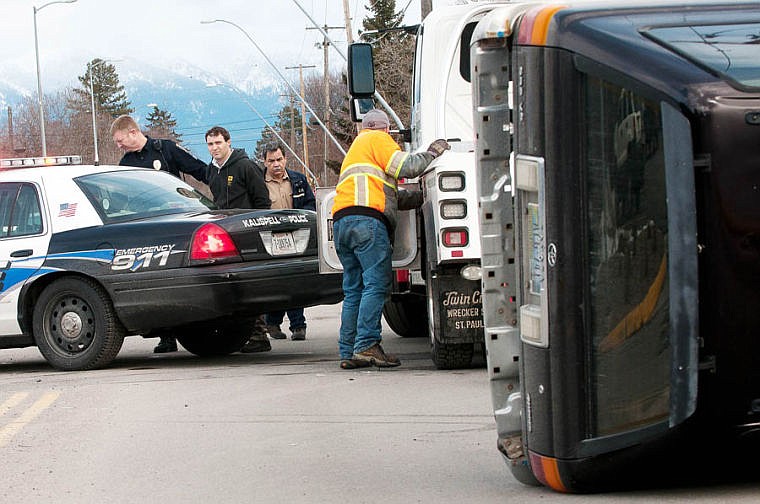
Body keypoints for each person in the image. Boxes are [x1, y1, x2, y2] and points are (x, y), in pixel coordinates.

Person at [331, 109, 450, 369]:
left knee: (354, 290)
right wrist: (432, 152)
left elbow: (389, 195)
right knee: (375, 285)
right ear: (386, 129)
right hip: (367, 224)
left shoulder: (356, 150)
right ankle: (367, 345)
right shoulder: (378, 139)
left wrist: (419, 198)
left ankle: (348, 351)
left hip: (342, 223)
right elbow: (407, 166)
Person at [110, 114, 208, 354]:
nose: (119, 145)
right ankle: (166, 336)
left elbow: (199, 170)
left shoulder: (165, 150)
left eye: (120, 140)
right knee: (158, 281)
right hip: (149, 230)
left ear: (133, 132)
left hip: (179, 223)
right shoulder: (125, 165)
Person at [205, 125, 272, 353]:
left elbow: (262, 199)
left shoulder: (245, 166)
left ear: (228, 142)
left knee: (250, 285)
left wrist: (258, 226)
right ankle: (239, 334)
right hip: (225, 234)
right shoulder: (211, 171)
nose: (215, 148)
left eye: (218, 143)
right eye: (211, 144)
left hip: (248, 231)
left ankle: (259, 334)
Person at [261, 141, 316, 341]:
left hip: (296, 237)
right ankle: (273, 323)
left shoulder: (299, 180)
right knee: (275, 283)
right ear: (264, 162)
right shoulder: (258, 182)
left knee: (295, 282)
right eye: (271, 161)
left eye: (279, 159)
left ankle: (298, 326)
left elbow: (310, 204)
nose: (276, 164)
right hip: (269, 239)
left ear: (285, 159)